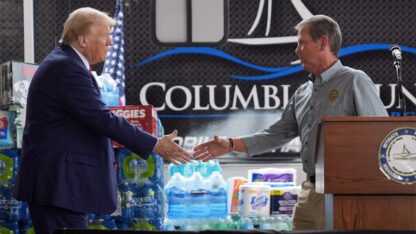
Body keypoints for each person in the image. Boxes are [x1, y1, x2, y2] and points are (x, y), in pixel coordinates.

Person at [193, 15, 388, 230]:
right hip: (308, 193)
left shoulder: (354, 80)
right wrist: (230, 144)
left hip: (343, 194)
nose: (297, 50)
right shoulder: (303, 92)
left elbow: (380, 136)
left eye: (301, 43)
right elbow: (276, 134)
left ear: (323, 42)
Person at [13, 7, 191, 234]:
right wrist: (154, 143)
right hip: (59, 186)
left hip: (63, 186)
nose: (110, 42)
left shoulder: (67, 63)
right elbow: (100, 117)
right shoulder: (66, 67)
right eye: (105, 35)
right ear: (83, 39)